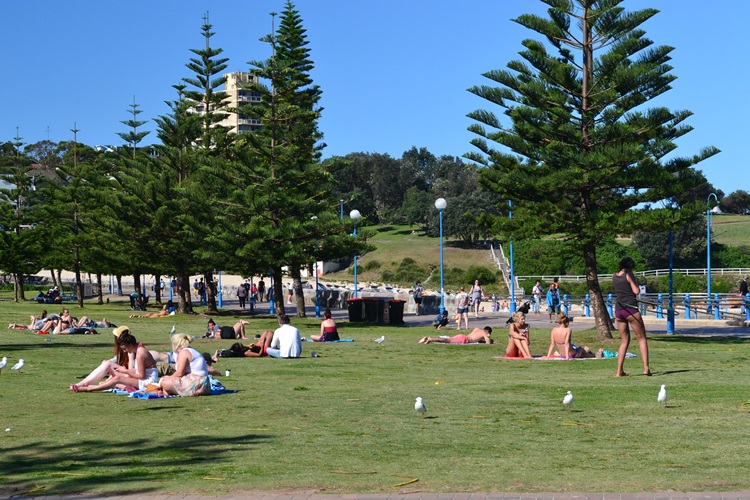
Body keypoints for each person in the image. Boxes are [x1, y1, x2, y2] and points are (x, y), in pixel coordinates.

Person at [72, 331, 159, 393]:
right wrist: (122, 370)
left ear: (131, 345)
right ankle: (87, 384)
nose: (124, 351)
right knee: (110, 368)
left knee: (117, 379)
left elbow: (142, 376)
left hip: (148, 383)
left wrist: (125, 371)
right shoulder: (139, 349)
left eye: (125, 349)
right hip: (144, 380)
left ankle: (89, 389)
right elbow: (139, 370)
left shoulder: (140, 354)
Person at [613, 256, 651, 377]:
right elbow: (636, 291)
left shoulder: (614, 275)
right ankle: (646, 368)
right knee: (641, 338)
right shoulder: (628, 274)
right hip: (631, 310)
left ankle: (619, 371)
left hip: (619, 311)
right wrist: (634, 280)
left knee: (624, 341)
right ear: (630, 267)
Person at [70, 325, 135, 390]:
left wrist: (123, 370)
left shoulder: (130, 352)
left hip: (129, 377)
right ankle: (85, 383)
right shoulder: (125, 350)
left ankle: (84, 384)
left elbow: (130, 374)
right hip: (126, 375)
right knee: (106, 363)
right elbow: (116, 361)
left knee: (108, 364)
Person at [419, 326, 493, 344]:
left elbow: (477, 338)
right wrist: (489, 339)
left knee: (448, 339)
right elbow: (487, 341)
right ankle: (430, 339)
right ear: (487, 331)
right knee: (447, 340)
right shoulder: (484, 332)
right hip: (464, 339)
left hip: (462, 336)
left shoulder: (477, 329)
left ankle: (430, 339)